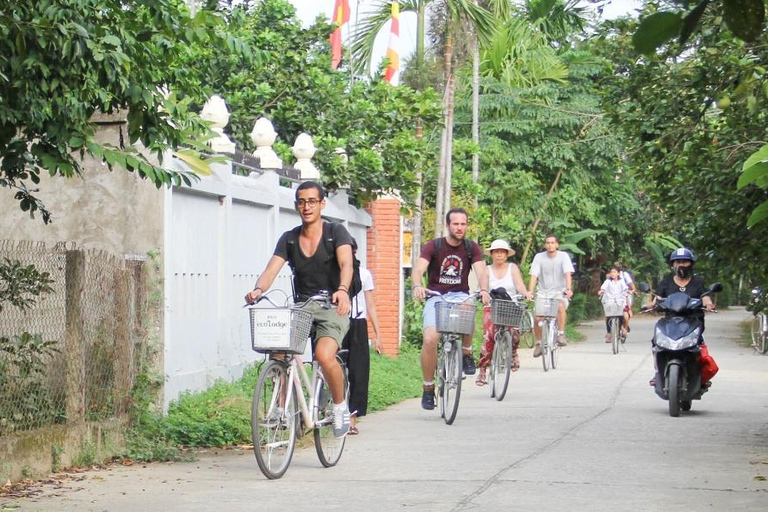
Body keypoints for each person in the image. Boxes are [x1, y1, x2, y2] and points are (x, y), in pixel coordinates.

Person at [244, 181, 353, 437]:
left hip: (331, 305)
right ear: (296, 205)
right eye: (302, 202)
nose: (307, 207)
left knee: (324, 355)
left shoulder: (336, 232)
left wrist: (343, 290)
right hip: (302, 306)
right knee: (279, 350)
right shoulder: (290, 239)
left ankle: (339, 407)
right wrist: (258, 290)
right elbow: (271, 269)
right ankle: (281, 409)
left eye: (312, 201)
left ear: (322, 204)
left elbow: (346, 264)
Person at [411, 208, 490, 410]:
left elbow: (481, 271)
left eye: (463, 224)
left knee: (469, 305)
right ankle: (428, 387)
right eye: (456, 223)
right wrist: (418, 285)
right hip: (436, 296)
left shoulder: (471, 248)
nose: (460, 227)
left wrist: (483, 289)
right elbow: (418, 269)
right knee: (430, 339)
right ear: (448, 225)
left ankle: (466, 352)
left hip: (460, 295)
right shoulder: (434, 246)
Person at [648, 247, 717, 386]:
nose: (681, 265)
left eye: (685, 262)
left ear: (691, 263)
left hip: (693, 321)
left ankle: (699, 375)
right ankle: (658, 372)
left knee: (698, 346)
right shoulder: (666, 282)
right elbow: (658, 298)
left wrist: (708, 304)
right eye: (678, 262)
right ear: (673, 264)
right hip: (670, 321)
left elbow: (705, 296)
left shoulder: (698, 281)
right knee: (656, 343)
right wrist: (650, 305)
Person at [342, 240, 382, 435]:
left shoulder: (364, 274)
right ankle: (334, 413)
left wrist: (377, 334)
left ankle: (352, 419)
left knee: (358, 373)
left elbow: (371, 305)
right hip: (337, 323)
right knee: (336, 370)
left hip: (358, 324)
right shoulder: (334, 273)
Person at [476, 239, 528, 386]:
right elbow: (483, 286)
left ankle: (513, 353)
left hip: (509, 306)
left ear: (506, 255)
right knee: (489, 337)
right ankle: (482, 370)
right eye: (496, 252)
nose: (499, 255)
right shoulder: (486, 270)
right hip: (492, 306)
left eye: (502, 252)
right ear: (491, 254)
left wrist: (526, 293)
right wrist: (483, 293)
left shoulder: (513, 268)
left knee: (515, 333)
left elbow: (519, 285)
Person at [527, 234, 575, 356]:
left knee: (560, 306)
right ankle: (539, 343)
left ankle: (560, 333)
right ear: (545, 245)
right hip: (543, 292)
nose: (550, 245)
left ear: (557, 244)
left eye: (552, 243)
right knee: (538, 318)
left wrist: (568, 289)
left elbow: (567, 274)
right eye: (547, 243)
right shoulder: (539, 257)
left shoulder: (563, 256)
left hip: (559, 292)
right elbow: (534, 276)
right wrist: (530, 291)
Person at [598, 266, 629, 342]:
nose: (613, 274)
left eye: (614, 272)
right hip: (609, 300)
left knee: (623, 315)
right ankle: (609, 332)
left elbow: (625, 289)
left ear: (618, 273)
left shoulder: (621, 281)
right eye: (611, 272)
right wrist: (601, 291)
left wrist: (628, 292)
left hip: (620, 301)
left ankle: (622, 328)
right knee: (608, 316)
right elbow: (603, 288)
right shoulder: (608, 281)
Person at [614, 261, 637, 333]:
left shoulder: (624, 275)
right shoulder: (610, 276)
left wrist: (633, 290)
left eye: (618, 265)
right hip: (614, 296)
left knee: (627, 312)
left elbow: (630, 284)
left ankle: (625, 325)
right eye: (615, 265)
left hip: (625, 296)